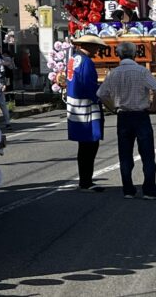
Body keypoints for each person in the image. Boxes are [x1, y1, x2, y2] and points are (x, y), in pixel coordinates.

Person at [97, 41, 156, 200]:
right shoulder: (141, 71)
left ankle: (128, 189)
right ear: (135, 54)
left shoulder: (113, 73)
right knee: (147, 154)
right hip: (141, 115)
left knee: (125, 155)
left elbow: (101, 94)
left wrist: (112, 108)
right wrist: (153, 107)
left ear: (118, 55)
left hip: (123, 116)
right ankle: (149, 190)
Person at [66, 34, 106, 192]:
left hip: (74, 106)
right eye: (96, 47)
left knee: (83, 147)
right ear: (89, 46)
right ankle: (86, 181)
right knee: (90, 145)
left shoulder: (73, 59)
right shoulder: (87, 62)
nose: (98, 49)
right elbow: (90, 86)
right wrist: (102, 96)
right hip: (86, 108)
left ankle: (85, 180)